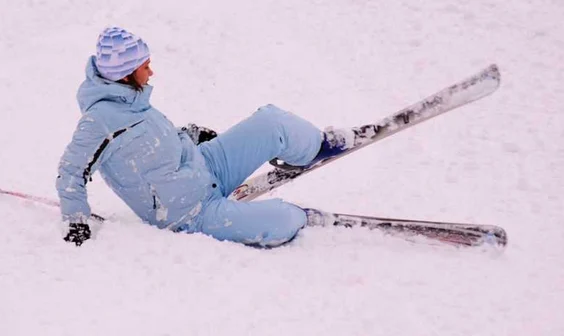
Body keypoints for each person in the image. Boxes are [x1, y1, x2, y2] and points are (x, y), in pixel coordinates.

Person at [56, 27, 355, 247]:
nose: (152, 72)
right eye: (145, 67)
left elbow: (150, 148)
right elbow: (71, 170)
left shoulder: (130, 99)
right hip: (190, 212)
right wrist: (76, 219)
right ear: (124, 74)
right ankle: (301, 219)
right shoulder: (98, 122)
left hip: (205, 165)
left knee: (271, 122)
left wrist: (191, 135)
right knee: (283, 220)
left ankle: (316, 145)